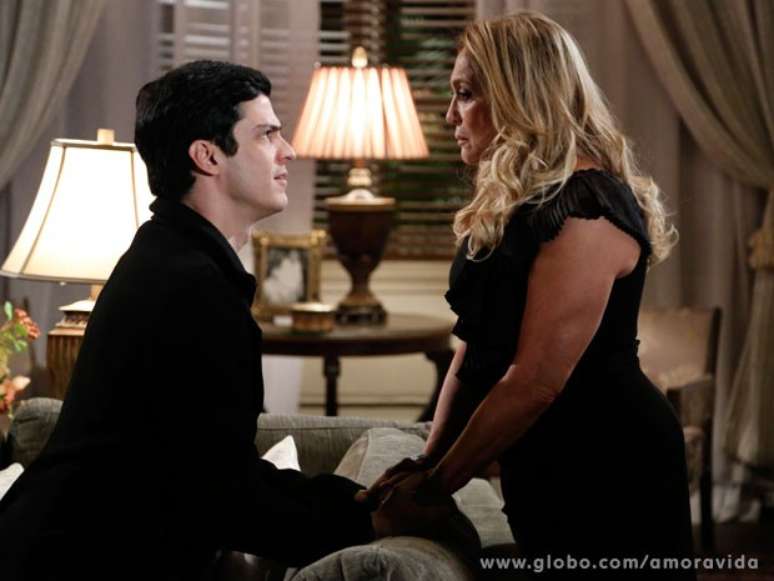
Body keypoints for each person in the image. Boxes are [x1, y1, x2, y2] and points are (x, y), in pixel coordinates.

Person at [0, 60, 447, 581]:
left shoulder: (174, 258)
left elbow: (216, 468)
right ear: (208, 156)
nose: (288, 151)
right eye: (266, 135)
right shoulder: (189, 285)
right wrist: (365, 520)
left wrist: (357, 501)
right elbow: (220, 496)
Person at [362, 11, 695, 580]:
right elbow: (473, 349)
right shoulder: (520, 203)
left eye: (465, 94)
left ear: (520, 97)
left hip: (608, 461)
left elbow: (536, 380)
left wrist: (438, 486)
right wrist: (427, 461)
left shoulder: (586, 207)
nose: (450, 116)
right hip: (544, 459)